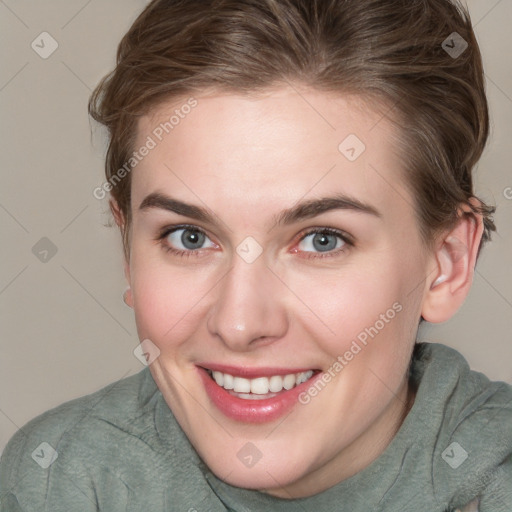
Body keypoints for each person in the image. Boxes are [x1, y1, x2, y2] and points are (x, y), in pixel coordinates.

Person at [1, 0, 511, 510]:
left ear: (445, 264)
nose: (240, 324)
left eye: (322, 240)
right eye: (189, 237)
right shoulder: (58, 482)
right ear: (128, 249)